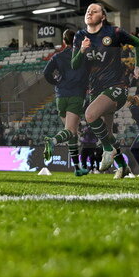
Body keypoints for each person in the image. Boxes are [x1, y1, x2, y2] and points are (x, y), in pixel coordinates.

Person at [72, 3, 139, 179]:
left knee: (89, 115)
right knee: (108, 135)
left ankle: (106, 150)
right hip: (96, 90)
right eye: (88, 10)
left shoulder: (114, 32)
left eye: (94, 11)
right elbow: (74, 65)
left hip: (117, 87)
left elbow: (138, 43)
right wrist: (82, 50)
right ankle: (122, 166)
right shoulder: (80, 36)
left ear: (103, 16)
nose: (89, 12)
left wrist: (137, 66)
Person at [42, 29, 89, 176]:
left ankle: (77, 168)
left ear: (64, 41)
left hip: (60, 96)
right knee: (70, 130)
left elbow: (46, 73)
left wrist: (57, 82)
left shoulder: (57, 56)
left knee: (72, 133)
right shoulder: (82, 55)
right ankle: (53, 141)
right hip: (76, 95)